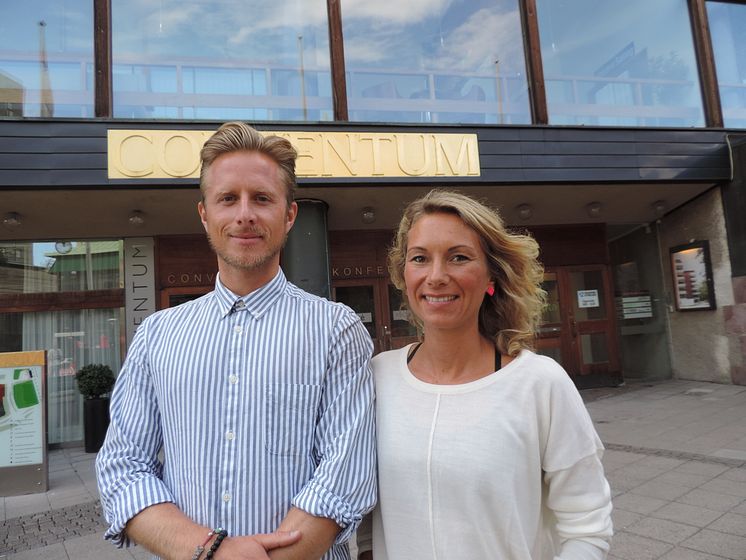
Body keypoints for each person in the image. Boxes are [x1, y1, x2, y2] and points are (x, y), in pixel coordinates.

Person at [96, 122, 377, 560]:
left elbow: (343, 479)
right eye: (228, 198)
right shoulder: (157, 335)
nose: (244, 213)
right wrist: (210, 552)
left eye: (262, 198)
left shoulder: (336, 331)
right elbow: (124, 468)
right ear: (205, 214)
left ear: (289, 215)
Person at [357, 190, 613, 559]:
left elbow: (587, 525)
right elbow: (368, 517)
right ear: (404, 275)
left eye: (458, 257)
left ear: (491, 274)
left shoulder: (539, 383)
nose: (437, 276)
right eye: (420, 258)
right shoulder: (378, 378)